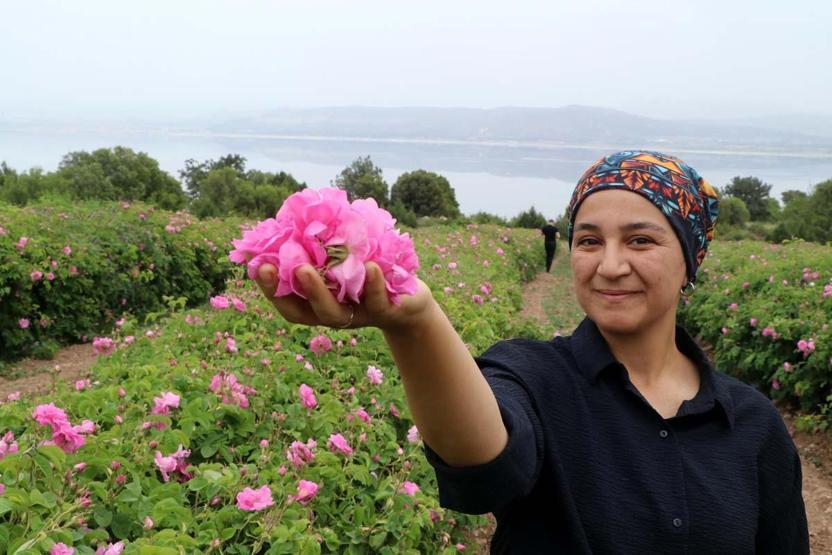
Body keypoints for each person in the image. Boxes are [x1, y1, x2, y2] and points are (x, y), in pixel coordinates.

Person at [254, 150, 809, 554]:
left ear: (690, 260)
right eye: (589, 241)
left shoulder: (753, 426)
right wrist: (413, 322)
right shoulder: (531, 375)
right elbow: (484, 457)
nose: (610, 265)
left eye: (641, 240)